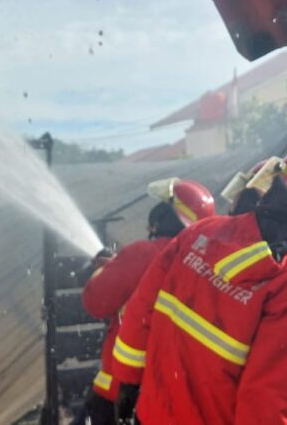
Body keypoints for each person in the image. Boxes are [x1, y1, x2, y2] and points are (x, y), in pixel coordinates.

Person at [111, 146, 287, 425]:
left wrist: (127, 383)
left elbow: (140, 312)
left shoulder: (199, 234)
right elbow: (269, 399)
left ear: (274, 188)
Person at [79, 178, 217, 425]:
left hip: (119, 394)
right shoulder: (204, 267)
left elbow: (95, 302)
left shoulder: (146, 252)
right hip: (168, 401)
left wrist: (104, 270)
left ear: (157, 221)